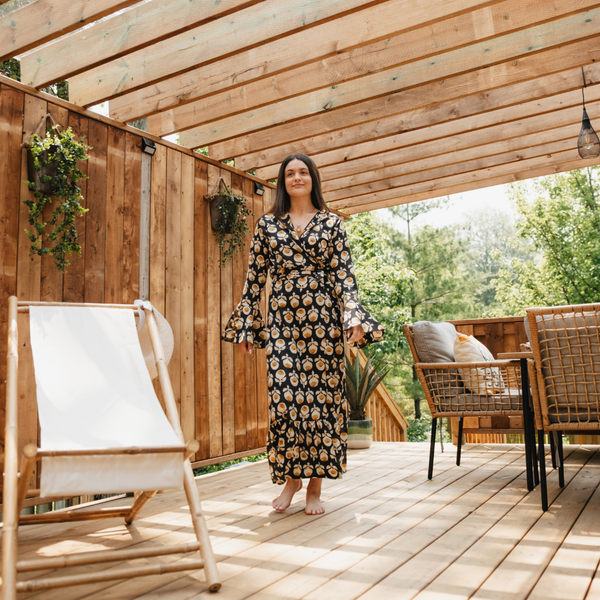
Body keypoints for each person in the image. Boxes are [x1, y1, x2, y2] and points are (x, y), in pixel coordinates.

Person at [222, 153, 384, 515]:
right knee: (284, 400)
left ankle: (314, 487)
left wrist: (352, 317)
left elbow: (344, 276)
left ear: (313, 179)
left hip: (322, 323)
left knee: (323, 403)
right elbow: (254, 280)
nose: (297, 177)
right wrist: (249, 324)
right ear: (283, 181)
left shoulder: (332, 224)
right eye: (290, 173)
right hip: (282, 322)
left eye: (303, 172)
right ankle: (290, 478)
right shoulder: (267, 225)